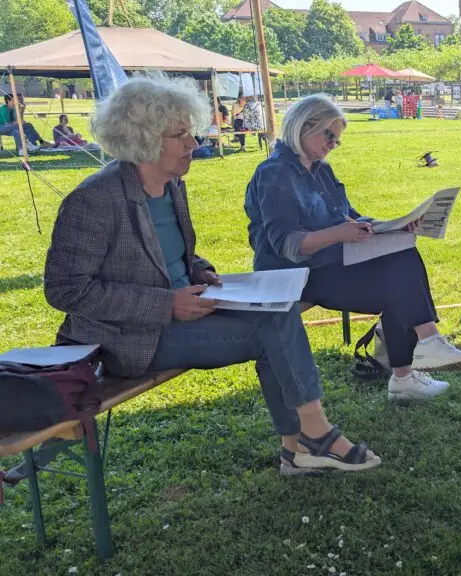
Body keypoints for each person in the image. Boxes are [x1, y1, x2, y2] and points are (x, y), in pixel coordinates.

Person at [43, 76, 382, 476]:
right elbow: (66, 290)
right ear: (143, 141)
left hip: (185, 307)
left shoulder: (171, 185)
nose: (194, 143)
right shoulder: (94, 200)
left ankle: (299, 448)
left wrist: (198, 267)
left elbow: (165, 253)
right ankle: (312, 436)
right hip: (128, 338)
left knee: (278, 310)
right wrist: (166, 303)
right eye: (180, 134)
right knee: (273, 326)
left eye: (191, 131)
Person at [244, 95, 461, 401]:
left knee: (402, 251)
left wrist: (390, 226)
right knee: (400, 278)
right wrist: (339, 233)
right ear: (305, 124)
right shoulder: (274, 173)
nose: (333, 145)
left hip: (329, 263)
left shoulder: (319, 169)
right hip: (293, 276)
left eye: (337, 140)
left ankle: (417, 359)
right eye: (330, 136)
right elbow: (288, 245)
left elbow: (347, 215)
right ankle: (416, 358)